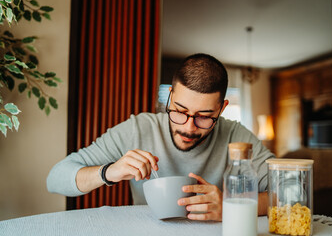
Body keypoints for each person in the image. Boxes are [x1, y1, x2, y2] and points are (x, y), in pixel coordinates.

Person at [47, 53, 274, 221]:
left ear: (222, 108)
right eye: (179, 111)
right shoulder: (137, 129)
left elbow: (291, 192)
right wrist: (109, 171)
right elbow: (55, 179)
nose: (188, 127)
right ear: (169, 96)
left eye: (204, 117)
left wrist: (231, 206)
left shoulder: (235, 135)